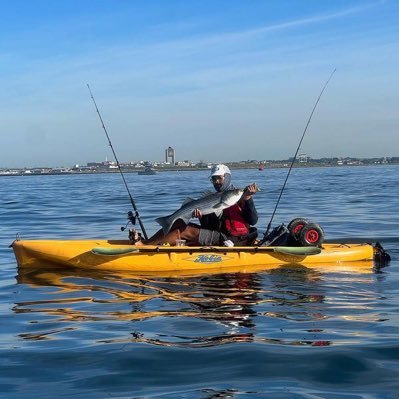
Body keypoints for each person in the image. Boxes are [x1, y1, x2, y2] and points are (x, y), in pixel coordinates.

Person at [134, 164, 258, 246]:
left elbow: (253, 220)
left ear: (227, 177)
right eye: (214, 179)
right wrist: (201, 217)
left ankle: (147, 247)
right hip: (218, 235)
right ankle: (147, 242)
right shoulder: (212, 197)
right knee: (178, 223)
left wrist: (247, 198)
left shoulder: (239, 196)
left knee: (186, 231)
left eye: (219, 178)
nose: (216, 182)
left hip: (234, 239)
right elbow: (208, 227)